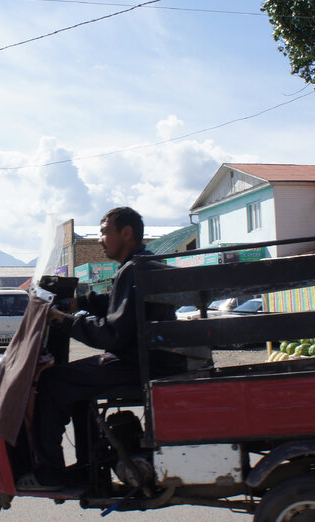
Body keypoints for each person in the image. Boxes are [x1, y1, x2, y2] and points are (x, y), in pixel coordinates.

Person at [25, 206, 208, 491]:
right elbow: (119, 302)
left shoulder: (133, 271)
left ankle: (49, 472)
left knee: (52, 380)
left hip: (138, 363)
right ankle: (89, 467)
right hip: (153, 358)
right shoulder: (143, 265)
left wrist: (65, 321)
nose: (100, 239)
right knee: (76, 384)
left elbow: (112, 333)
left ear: (126, 233)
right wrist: (80, 303)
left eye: (104, 232)